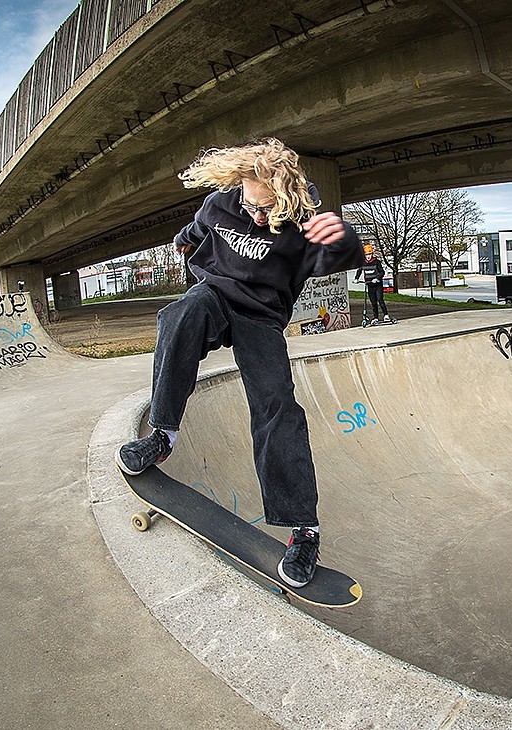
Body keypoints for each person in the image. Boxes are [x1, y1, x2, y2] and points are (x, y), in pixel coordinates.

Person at [115, 138, 363, 588]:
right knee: (181, 313)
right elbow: (188, 240)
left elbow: (344, 254)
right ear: (241, 184)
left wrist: (343, 236)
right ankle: (163, 434)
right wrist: (188, 253)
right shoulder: (218, 204)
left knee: (277, 406)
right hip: (215, 298)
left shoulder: (302, 224)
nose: (260, 216)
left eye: (270, 209)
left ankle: (304, 529)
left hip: (262, 317)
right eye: (254, 206)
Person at [354, 244, 396, 325]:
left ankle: (386, 315)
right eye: (366, 255)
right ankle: (375, 317)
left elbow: (382, 272)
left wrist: (377, 279)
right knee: (373, 303)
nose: (368, 256)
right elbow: (359, 271)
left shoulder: (376, 262)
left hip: (378, 285)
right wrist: (356, 279)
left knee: (380, 300)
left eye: (369, 254)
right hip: (369, 285)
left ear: (372, 254)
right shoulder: (363, 263)